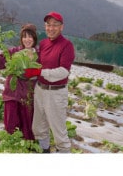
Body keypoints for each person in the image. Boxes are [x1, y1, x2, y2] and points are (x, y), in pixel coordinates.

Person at [24, 11, 75, 153]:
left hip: (56, 92)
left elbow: (63, 72)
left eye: (55, 25)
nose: (51, 28)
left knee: (59, 131)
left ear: (61, 27)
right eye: (48, 25)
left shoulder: (67, 45)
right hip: (40, 89)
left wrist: (39, 72)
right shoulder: (44, 43)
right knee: (38, 127)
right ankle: (44, 150)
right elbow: (37, 63)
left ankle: (63, 152)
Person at [0, 23, 38, 140]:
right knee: (10, 125)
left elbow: (43, 72)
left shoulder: (39, 54)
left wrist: (29, 73)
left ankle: (27, 146)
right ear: (21, 38)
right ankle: (10, 147)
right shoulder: (14, 51)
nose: (27, 40)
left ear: (34, 38)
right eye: (24, 36)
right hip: (12, 94)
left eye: (30, 36)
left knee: (28, 127)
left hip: (28, 96)